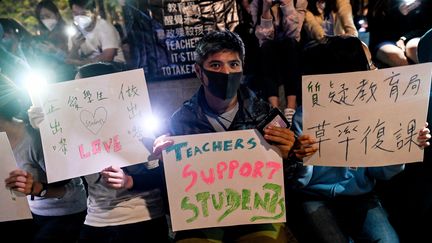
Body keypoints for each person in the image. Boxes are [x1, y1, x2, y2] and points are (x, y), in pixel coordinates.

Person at [153, 30, 317, 243]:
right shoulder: (180, 123)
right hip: (203, 218)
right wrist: (161, 166)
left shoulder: (266, 116)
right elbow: (172, 199)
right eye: (215, 65)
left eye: (233, 64)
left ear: (242, 68)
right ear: (198, 71)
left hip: (256, 214)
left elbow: (292, 185)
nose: (226, 72)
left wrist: (294, 157)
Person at [285, 61, 431, 242]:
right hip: (314, 196)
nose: (375, 69)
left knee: (388, 240)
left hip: (360, 196)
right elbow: (301, 182)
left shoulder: (375, 113)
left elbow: (380, 173)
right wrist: (301, 159)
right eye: (369, 64)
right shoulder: (305, 116)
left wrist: (401, 148)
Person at [49, 62, 167, 243]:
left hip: (141, 219)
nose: (75, 94)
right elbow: (60, 177)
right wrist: (46, 128)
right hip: (96, 220)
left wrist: (129, 180)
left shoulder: (138, 121)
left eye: (80, 88)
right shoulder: (76, 129)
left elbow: (160, 176)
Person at [1, 73, 87, 243]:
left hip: (68, 212)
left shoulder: (34, 137)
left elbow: (70, 187)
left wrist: (37, 189)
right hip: (31, 212)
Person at [250, 0, 307, 124]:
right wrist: (265, 9)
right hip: (268, 52)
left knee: (290, 44)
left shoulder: (299, 1)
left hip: (291, 50)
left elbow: (294, 33)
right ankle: (274, 109)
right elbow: (262, 37)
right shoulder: (257, 3)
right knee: (266, 46)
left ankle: (290, 108)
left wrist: (287, 6)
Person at [368, 0, 432, 67]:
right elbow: (376, 26)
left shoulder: (423, 4)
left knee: (416, 49)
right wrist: (397, 12)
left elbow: (425, 26)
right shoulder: (381, 4)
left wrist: (404, 38)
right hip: (386, 38)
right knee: (395, 55)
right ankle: (412, 76)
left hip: (413, 35)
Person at [66, 0, 125, 66]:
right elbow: (70, 59)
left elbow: (108, 56)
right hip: (90, 70)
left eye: (83, 14)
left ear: (93, 11)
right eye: (76, 14)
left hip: (114, 68)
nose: (79, 17)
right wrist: (75, 47)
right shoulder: (74, 31)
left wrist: (83, 63)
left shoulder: (104, 26)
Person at [34, 0, 76, 82]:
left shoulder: (68, 32)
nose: (45, 20)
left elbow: (73, 59)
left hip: (70, 77)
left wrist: (54, 51)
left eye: (48, 16)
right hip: (50, 81)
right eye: (42, 18)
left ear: (56, 15)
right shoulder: (41, 39)